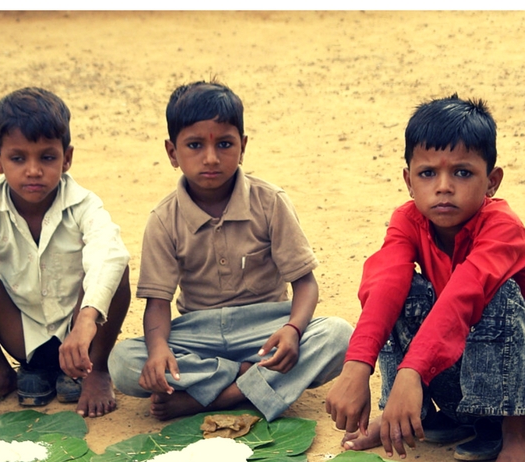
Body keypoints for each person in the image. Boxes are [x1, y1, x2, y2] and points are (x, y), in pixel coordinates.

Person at [324, 95, 525, 462]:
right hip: (457, 371)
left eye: (463, 173)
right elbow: (384, 285)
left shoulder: (503, 226)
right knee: (398, 289)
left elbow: (464, 296)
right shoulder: (409, 219)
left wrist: (413, 370)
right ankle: (405, 413)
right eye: (428, 173)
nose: (444, 187)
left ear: (492, 181)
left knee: (494, 293)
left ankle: (522, 434)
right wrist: (356, 365)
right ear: (408, 180)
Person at [110, 81, 352, 421]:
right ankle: (248, 378)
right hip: (199, 333)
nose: (211, 158)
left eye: (224, 144)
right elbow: (158, 304)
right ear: (172, 153)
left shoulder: (270, 203)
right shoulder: (163, 220)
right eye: (194, 145)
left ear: (243, 146)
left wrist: (293, 330)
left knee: (339, 336)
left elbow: (305, 284)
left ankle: (218, 397)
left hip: (265, 329)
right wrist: (159, 350)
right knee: (122, 362)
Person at [0, 87, 131, 420]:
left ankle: (98, 371)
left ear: (67, 158)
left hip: (82, 336)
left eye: (47, 157)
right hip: (20, 332)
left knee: (115, 263)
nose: (33, 170)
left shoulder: (84, 205)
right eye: (18, 158)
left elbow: (109, 252)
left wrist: (85, 322)